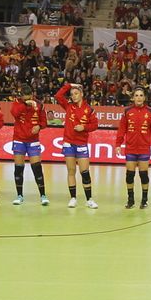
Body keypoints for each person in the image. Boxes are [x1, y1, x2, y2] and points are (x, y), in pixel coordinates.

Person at [54, 80, 100, 208]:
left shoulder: (89, 109)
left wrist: (84, 127)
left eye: (76, 93)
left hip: (81, 144)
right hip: (68, 143)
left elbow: (95, 125)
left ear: (81, 94)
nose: (73, 96)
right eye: (72, 94)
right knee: (71, 171)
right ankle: (73, 198)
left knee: (84, 172)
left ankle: (89, 199)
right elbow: (58, 96)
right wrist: (69, 85)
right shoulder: (68, 106)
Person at [116, 87, 151, 209]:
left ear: (144, 97)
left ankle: (144, 199)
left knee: (143, 174)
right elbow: (122, 130)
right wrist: (118, 144)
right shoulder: (127, 111)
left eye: (141, 95)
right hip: (130, 148)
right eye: (136, 95)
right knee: (129, 175)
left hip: (143, 149)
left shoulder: (150, 112)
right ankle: (130, 199)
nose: (139, 98)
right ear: (133, 97)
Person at [9, 86, 50, 206]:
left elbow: (44, 122)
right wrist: (25, 104)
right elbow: (14, 113)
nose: (28, 99)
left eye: (30, 97)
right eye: (25, 97)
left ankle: (43, 195)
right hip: (19, 140)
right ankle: (19, 195)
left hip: (33, 141)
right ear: (21, 96)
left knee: (37, 168)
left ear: (32, 94)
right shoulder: (17, 103)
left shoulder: (40, 105)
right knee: (19, 168)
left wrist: (39, 127)